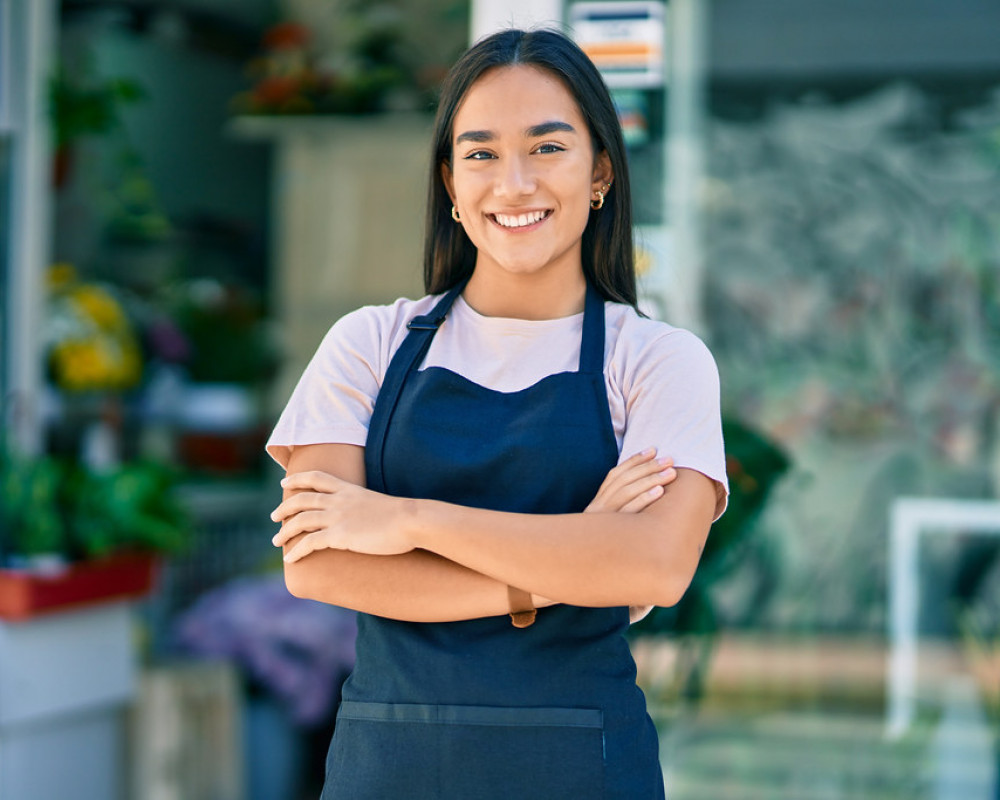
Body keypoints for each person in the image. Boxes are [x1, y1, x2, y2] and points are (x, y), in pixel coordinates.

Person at [267, 27, 728, 800]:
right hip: (388, 768)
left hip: (582, 769)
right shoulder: (368, 344)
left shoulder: (657, 360)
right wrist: (566, 567)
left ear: (601, 172)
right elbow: (319, 564)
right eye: (480, 153)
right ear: (449, 182)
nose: (513, 183)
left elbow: (655, 566)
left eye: (547, 148)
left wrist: (407, 522)